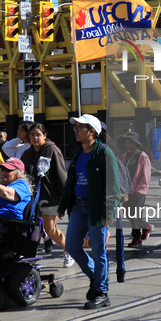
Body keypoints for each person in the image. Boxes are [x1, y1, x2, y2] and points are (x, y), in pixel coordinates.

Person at [58, 114, 120, 310]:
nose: (76, 130)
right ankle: (96, 278)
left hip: (96, 208)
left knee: (99, 251)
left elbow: (113, 185)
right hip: (78, 206)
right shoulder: (77, 153)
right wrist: (63, 205)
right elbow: (71, 181)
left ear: (92, 131)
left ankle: (102, 292)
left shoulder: (104, 152)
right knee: (73, 246)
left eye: (80, 127)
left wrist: (110, 212)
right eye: (76, 127)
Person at [21, 123, 73, 267]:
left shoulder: (52, 150)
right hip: (32, 200)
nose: (35, 138)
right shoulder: (27, 153)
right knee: (31, 229)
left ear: (45, 135)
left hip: (50, 198)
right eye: (32, 135)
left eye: (38, 135)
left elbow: (61, 175)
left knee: (50, 230)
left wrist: (65, 200)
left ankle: (69, 251)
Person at [118, 132, 152, 248]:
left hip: (138, 191)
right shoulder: (125, 155)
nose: (127, 144)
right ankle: (146, 226)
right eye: (126, 142)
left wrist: (140, 189)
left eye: (130, 142)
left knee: (135, 215)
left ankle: (136, 238)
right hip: (127, 190)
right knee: (128, 213)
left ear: (136, 143)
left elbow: (146, 175)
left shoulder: (142, 156)